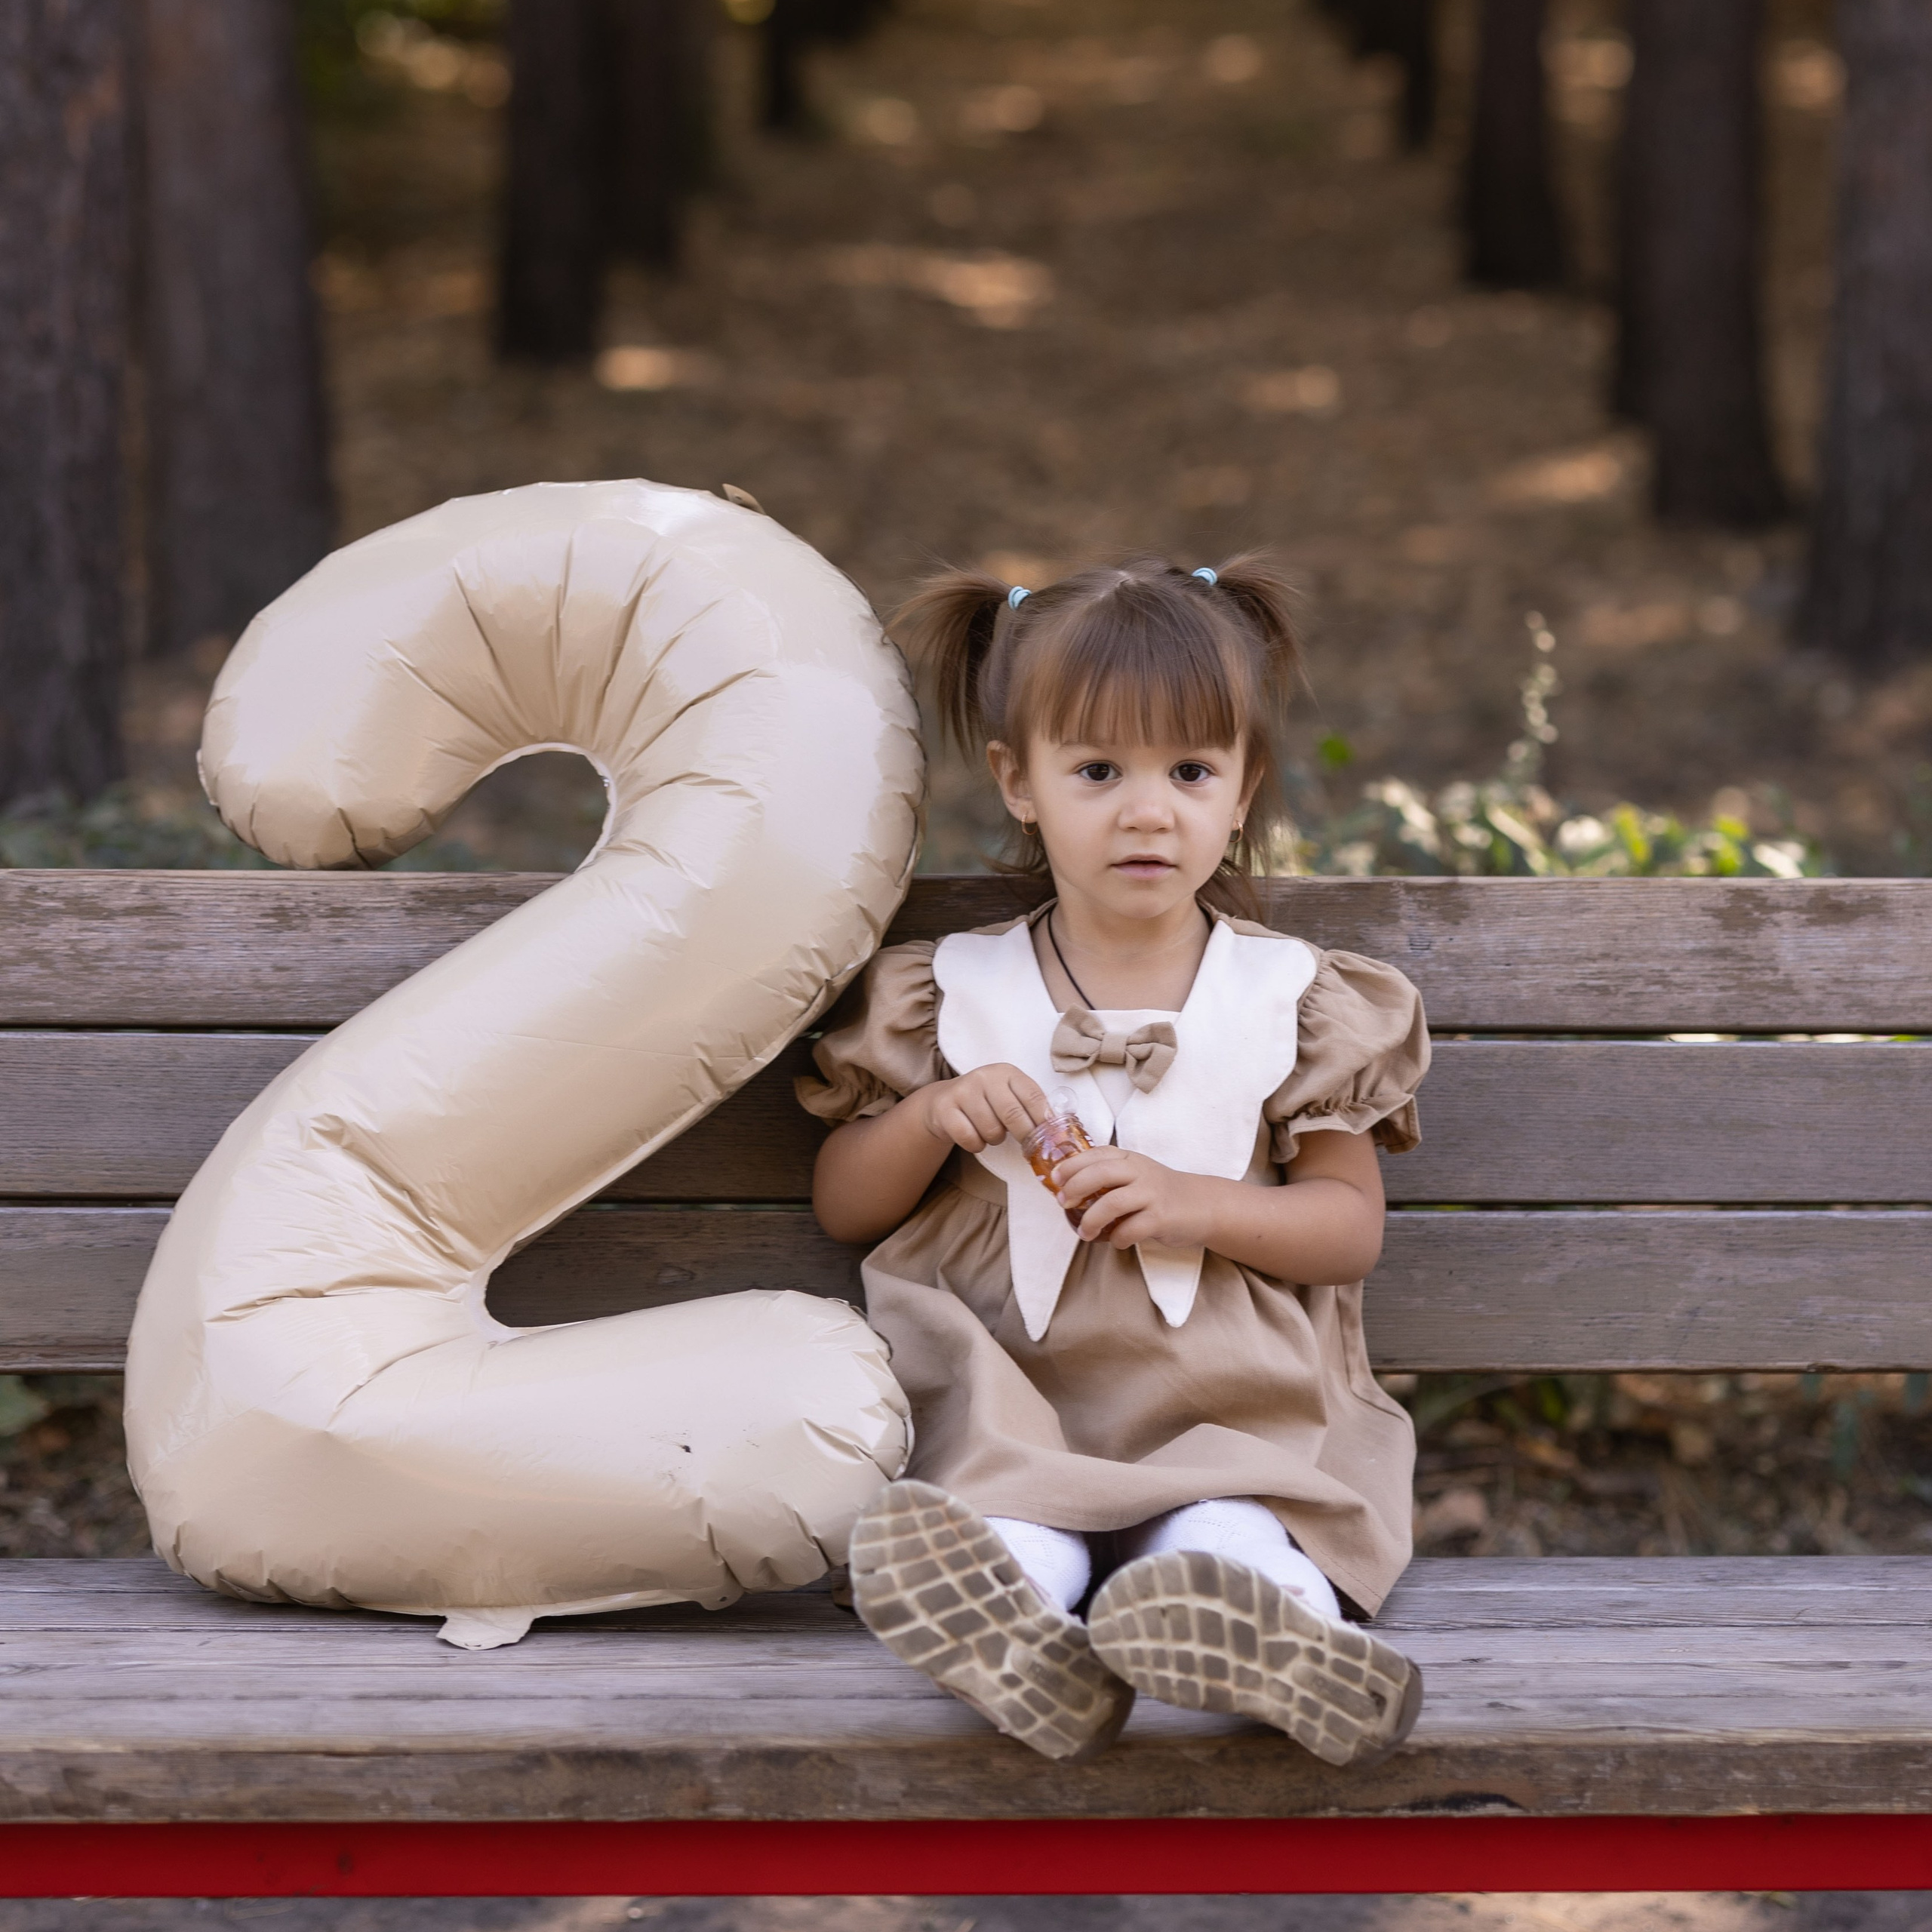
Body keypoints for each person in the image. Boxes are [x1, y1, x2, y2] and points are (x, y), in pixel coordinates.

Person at [797, 554, 1429, 1767]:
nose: (1150, 811)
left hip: (1227, 1393)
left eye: (1192, 771)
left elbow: (1349, 1226)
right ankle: (1015, 1629)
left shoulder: (1296, 997)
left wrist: (1203, 1203)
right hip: (1013, 1391)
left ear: (1243, 788)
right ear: (1017, 783)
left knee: (1229, 1517)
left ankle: (1262, 1626)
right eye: (1099, 771)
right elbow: (843, 1207)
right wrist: (929, 1119)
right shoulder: (945, 993)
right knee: (1004, 1513)